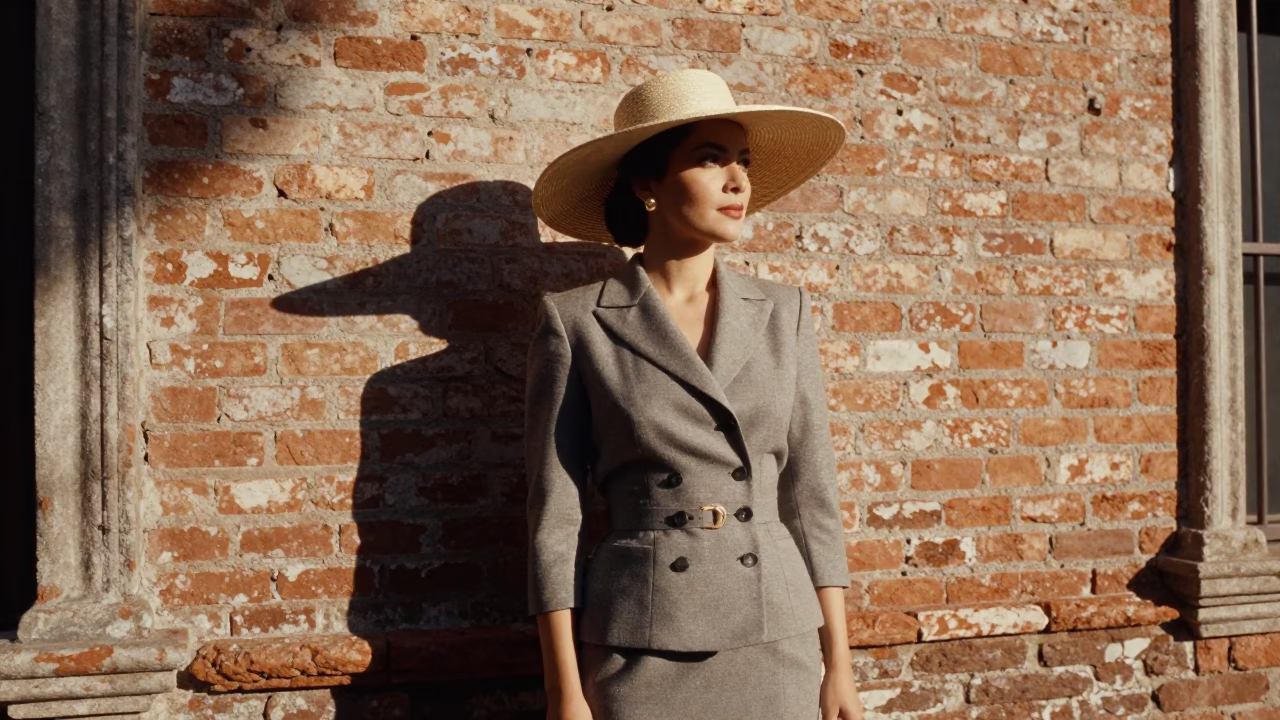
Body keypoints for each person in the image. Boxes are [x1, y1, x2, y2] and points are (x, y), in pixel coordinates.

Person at [524, 68, 866, 720]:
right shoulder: (577, 322)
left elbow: (810, 497)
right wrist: (563, 690)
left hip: (777, 638)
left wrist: (840, 666)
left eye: (744, 161)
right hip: (642, 641)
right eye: (710, 159)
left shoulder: (784, 312)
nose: (738, 180)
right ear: (646, 184)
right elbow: (556, 521)